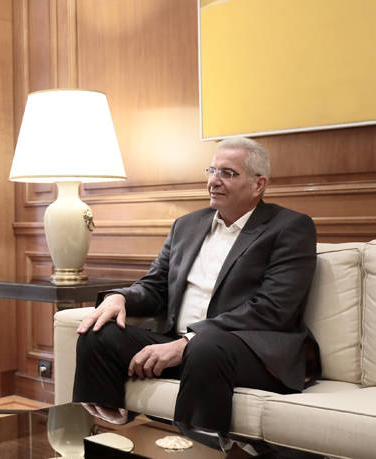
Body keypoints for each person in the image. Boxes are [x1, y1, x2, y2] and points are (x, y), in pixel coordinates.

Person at [72, 136, 320, 452]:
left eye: (228, 173)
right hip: (185, 346)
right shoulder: (187, 225)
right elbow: (155, 286)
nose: (214, 181)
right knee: (98, 332)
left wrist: (187, 342)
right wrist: (119, 297)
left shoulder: (290, 227)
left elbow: (272, 308)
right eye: (212, 170)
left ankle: (201, 452)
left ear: (258, 185)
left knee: (205, 347)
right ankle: (105, 437)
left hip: (250, 351)